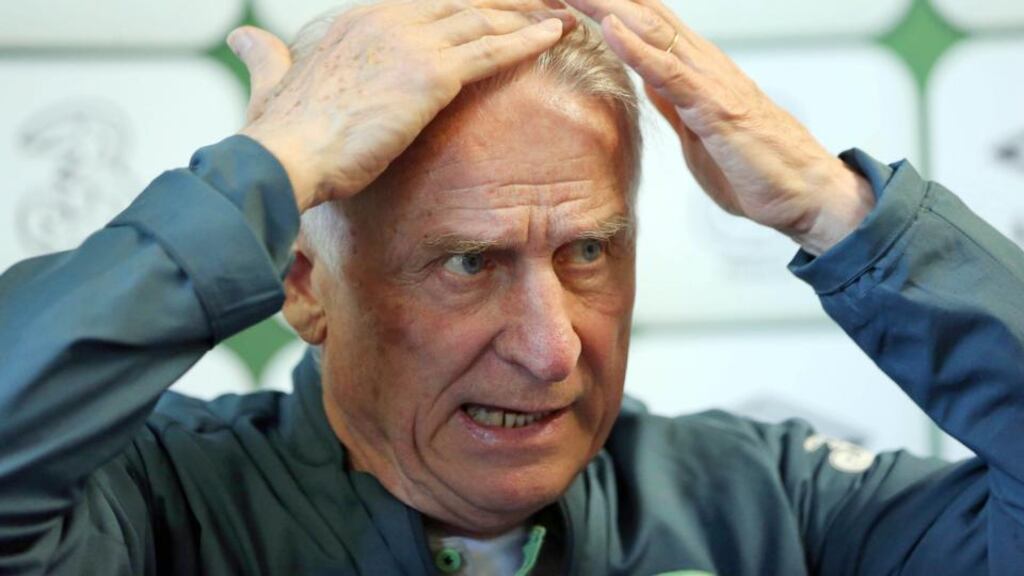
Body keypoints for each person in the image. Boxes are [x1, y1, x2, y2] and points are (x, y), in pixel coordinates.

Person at [0, 0, 1021, 573]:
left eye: (586, 253)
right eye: (467, 263)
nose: (552, 349)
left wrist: (839, 215)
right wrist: (263, 176)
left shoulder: (766, 511)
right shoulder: (152, 508)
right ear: (305, 287)